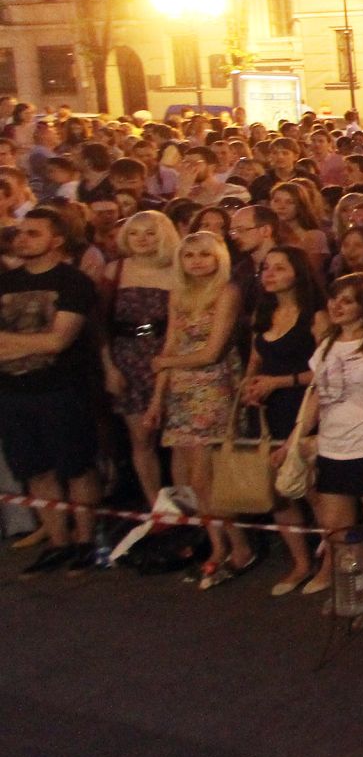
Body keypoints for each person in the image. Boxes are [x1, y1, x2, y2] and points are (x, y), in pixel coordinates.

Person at [278, 273, 363, 626]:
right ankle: (357, 592)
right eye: (334, 298)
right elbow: (316, 397)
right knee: (338, 531)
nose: (336, 306)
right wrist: (294, 441)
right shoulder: (327, 345)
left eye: (347, 300)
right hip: (334, 448)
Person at [146, 230, 251, 587]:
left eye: (204, 254)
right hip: (181, 388)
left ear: (218, 257)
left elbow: (212, 351)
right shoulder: (179, 293)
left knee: (208, 478)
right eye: (189, 255)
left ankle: (239, 548)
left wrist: (166, 363)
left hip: (213, 386)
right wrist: (157, 398)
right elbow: (171, 344)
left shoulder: (227, 291)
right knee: (192, 479)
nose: (196, 262)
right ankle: (217, 548)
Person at [0, 208, 102, 575]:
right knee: (35, 469)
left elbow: (59, 340)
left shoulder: (73, 282)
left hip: (62, 389)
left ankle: (87, 541)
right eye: (20, 233)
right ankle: (58, 542)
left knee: (76, 467)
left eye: (32, 233)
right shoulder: (5, 283)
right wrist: (33, 343)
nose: (21, 239)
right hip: (12, 391)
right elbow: (44, 340)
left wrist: (10, 343)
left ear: (57, 239)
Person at [237, 245, 327, 597]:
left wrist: (280, 382)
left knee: (314, 490)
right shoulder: (264, 310)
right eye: (266, 268)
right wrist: (250, 385)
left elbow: (325, 372)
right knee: (281, 490)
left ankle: (330, 562)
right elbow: (256, 360)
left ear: (298, 272)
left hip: (305, 405)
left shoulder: (316, 316)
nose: (270, 274)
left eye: (279, 267)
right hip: (270, 408)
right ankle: (300, 562)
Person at [100, 209, 179, 507]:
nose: (142, 239)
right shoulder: (114, 271)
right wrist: (109, 367)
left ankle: (189, 507)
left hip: (167, 356)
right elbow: (101, 325)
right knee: (141, 439)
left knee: (178, 442)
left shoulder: (176, 269)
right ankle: (157, 506)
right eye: (134, 233)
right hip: (126, 358)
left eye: (150, 233)